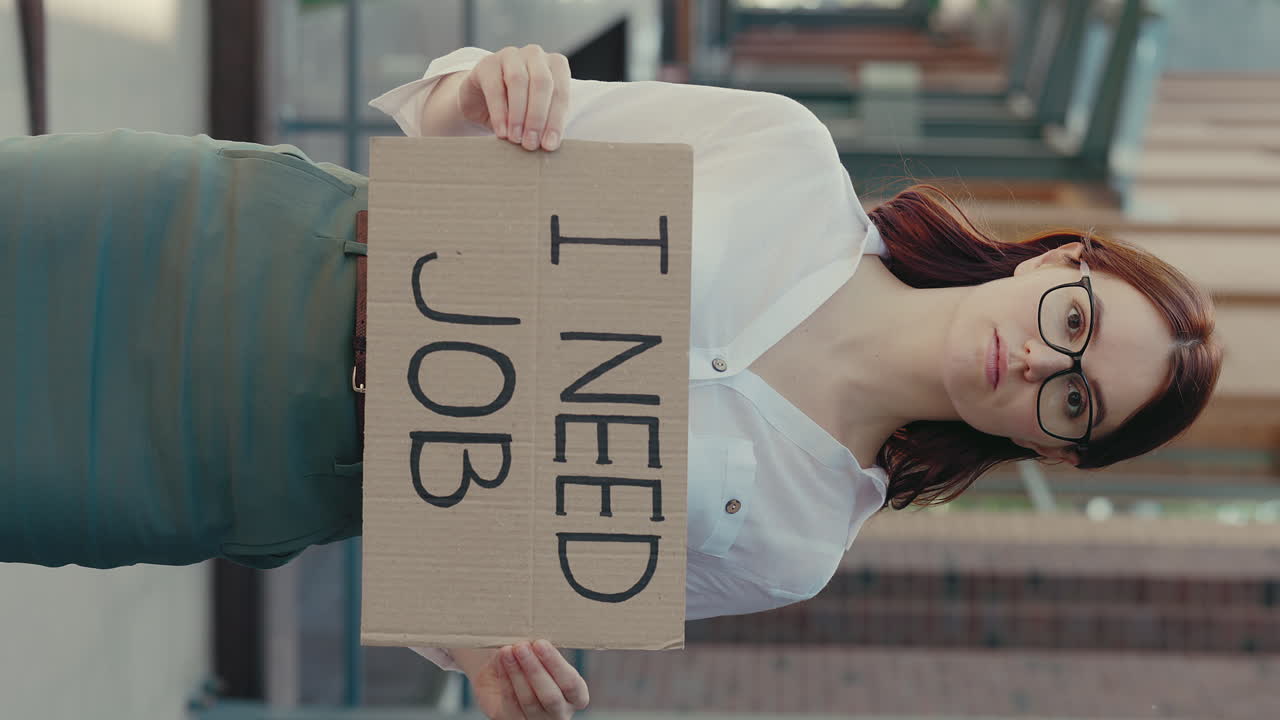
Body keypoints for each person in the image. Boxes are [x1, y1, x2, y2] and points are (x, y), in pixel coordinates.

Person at [0, 44, 1221, 720]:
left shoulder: (793, 546)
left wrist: (485, 660)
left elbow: (481, 575)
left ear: (1058, 451)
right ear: (1060, 261)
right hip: (235, 243)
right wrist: (488, 85)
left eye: (1075, 400)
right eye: (1075, 319)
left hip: (232, 457)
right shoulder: (789, 157)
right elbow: (458, 118)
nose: (1040, 362)